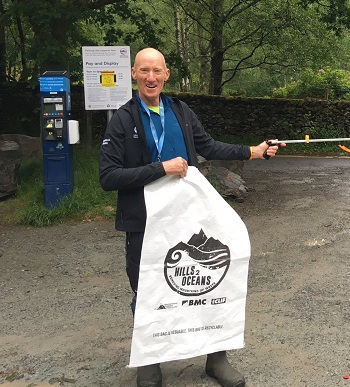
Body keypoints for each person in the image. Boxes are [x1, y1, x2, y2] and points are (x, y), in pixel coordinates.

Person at [99, 47, 281, 387]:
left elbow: (208, 147)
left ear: (166, 74)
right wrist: (160, 168)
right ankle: (151, 361)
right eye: (144, 71)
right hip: (145, 221)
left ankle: (216, 358)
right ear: (134, 74)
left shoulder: (180, 111)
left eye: (157, 71)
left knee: (210, 283)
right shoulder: (123, 119)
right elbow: (108, 176)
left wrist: (252, 152)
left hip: (189, 216)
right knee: (149, 288)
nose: (151, 77)